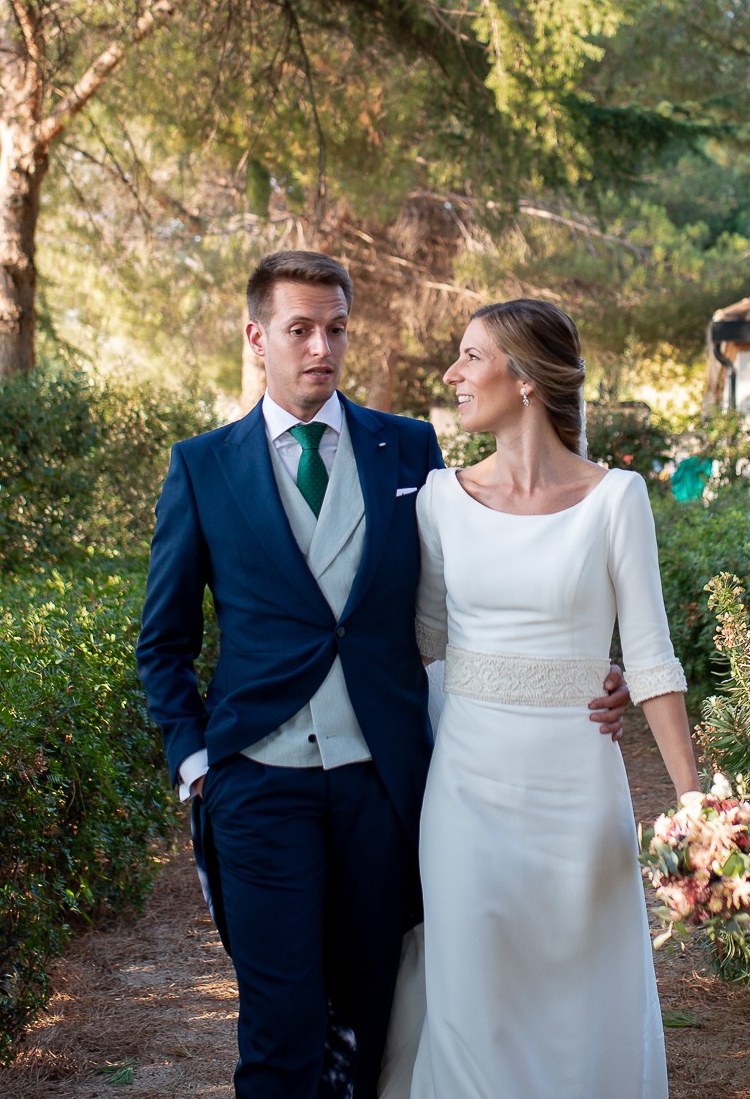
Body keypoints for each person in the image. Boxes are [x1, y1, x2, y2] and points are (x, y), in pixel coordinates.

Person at [133, 253, 632, 1099]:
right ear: (257, 338)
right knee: (279, 1032)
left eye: (335, 328)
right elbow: (163, 641)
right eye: (299, 329)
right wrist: (196, 766)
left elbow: (467, 596)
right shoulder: (203, 466)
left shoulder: (407, 447)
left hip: (385, 787)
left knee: (374, 1026)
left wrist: (584, 663)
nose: (321, 347)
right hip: (258, 783)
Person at [380, 299, 700, 1099]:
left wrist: (698, 810)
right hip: (465, 799)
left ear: (523, 379)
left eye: (470, 357)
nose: (453, 374)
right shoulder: (437, 500)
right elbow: (426, 649)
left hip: (577, 796)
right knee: (470, 1013)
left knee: (580, 1012)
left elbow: (652, 659)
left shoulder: (617, 498)